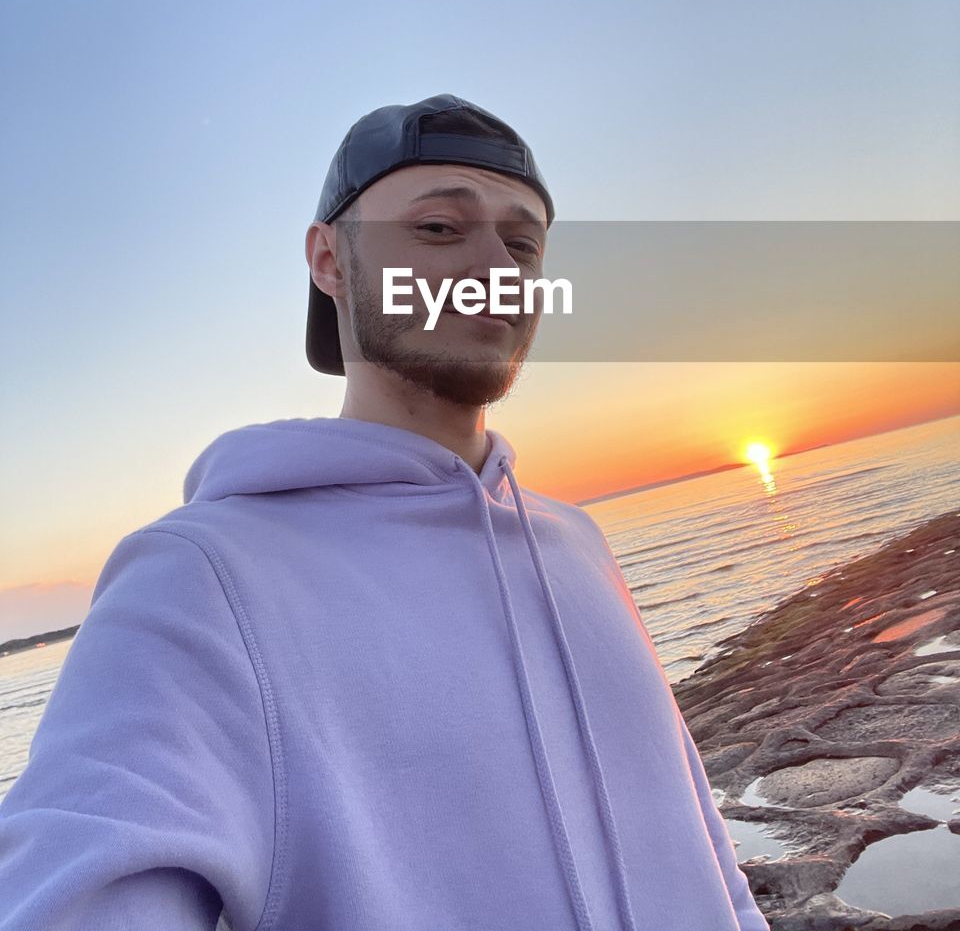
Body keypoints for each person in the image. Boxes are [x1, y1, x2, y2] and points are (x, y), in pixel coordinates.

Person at [0, 94, 770, 931]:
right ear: (330, 260)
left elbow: (706, 850)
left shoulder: (576, 544)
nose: (496, 268)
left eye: (523, 243)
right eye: (439, 229)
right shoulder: (201, 580)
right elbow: (78, 887)